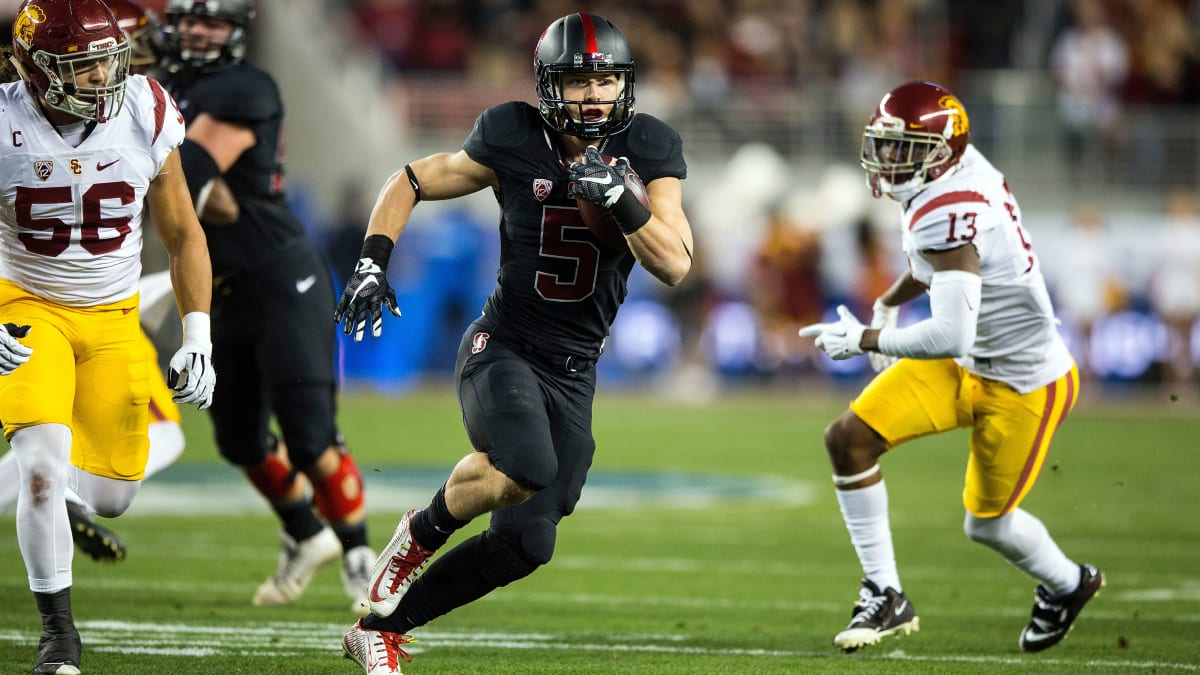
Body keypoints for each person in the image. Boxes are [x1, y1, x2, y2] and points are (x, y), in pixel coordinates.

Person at [334, 12, 693, 673]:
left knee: (529, 544)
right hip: (502, 345)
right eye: (577, 81)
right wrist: (371, 259)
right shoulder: (511, 133)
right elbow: (410, 178)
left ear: (625, 84)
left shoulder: (648, 146)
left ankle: (378, 630)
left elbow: (675, 262)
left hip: (575, 369)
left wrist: (623, 200)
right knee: (526, 463)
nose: (593, 95)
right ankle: (418, 534)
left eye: (606, 79)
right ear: (546, 86)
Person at [797, 80, 1103, 654]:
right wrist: (890, 300)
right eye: (885, 144)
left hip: (1023, 382)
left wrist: (866, 337)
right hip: (966, 364)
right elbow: (942, 262)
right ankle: (885, 591)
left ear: (940, 153)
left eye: (904, 147)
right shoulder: (954, 178)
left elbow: (950, 328)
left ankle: (1069, 584)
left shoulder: (950, 206)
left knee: (986, 524)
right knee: (849, 439)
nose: (888, 159)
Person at [2, 0, 216, 672]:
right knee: (41, 467)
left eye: (105, 59)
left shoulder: (146, 108)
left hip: (114, 314)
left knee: (115, 492)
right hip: (26, 304)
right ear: (36, 69)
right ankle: (58, 637)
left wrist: (197, 332)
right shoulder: (4, 122)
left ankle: (56, 481)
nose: (101, 76)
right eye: (82, 64)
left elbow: (183, 233)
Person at [157, 0, 375, 612]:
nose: (199, 32)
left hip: (282, 277)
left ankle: (361, 556)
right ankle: (306, 533)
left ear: (237, 32)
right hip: (220, 284)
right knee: (238, 438)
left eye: (214, 23)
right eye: (191, 20)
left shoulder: (242, 87)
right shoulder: (169, 88)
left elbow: (192, 181)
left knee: (309, 437)